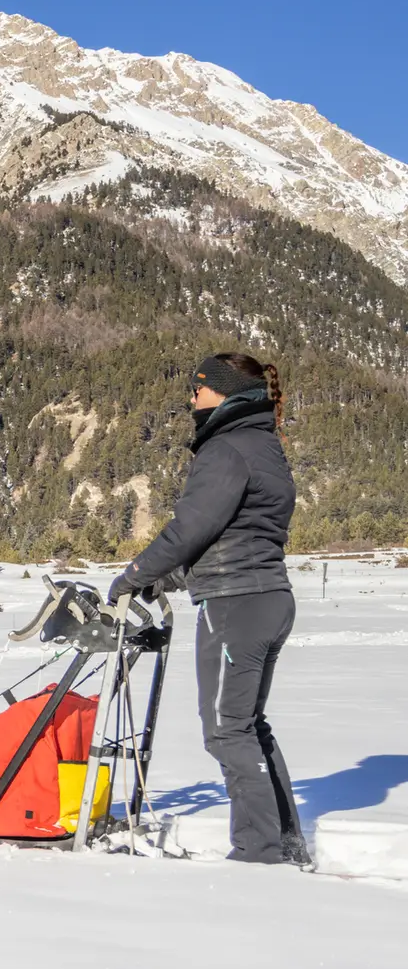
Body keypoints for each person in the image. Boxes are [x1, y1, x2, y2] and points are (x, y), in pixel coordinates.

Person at [108, 352, 306, 866]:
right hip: (266, 597)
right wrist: (171, 578)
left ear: (221, 392)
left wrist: (136, 576)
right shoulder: (263, 444)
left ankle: (259, 854)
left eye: (198, 389)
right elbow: (234, 532)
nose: (191, 399)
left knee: (225, 730)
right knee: (247, 725)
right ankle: (285, 843)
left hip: (236, 603)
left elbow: (190, 528)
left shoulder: (227, 449)